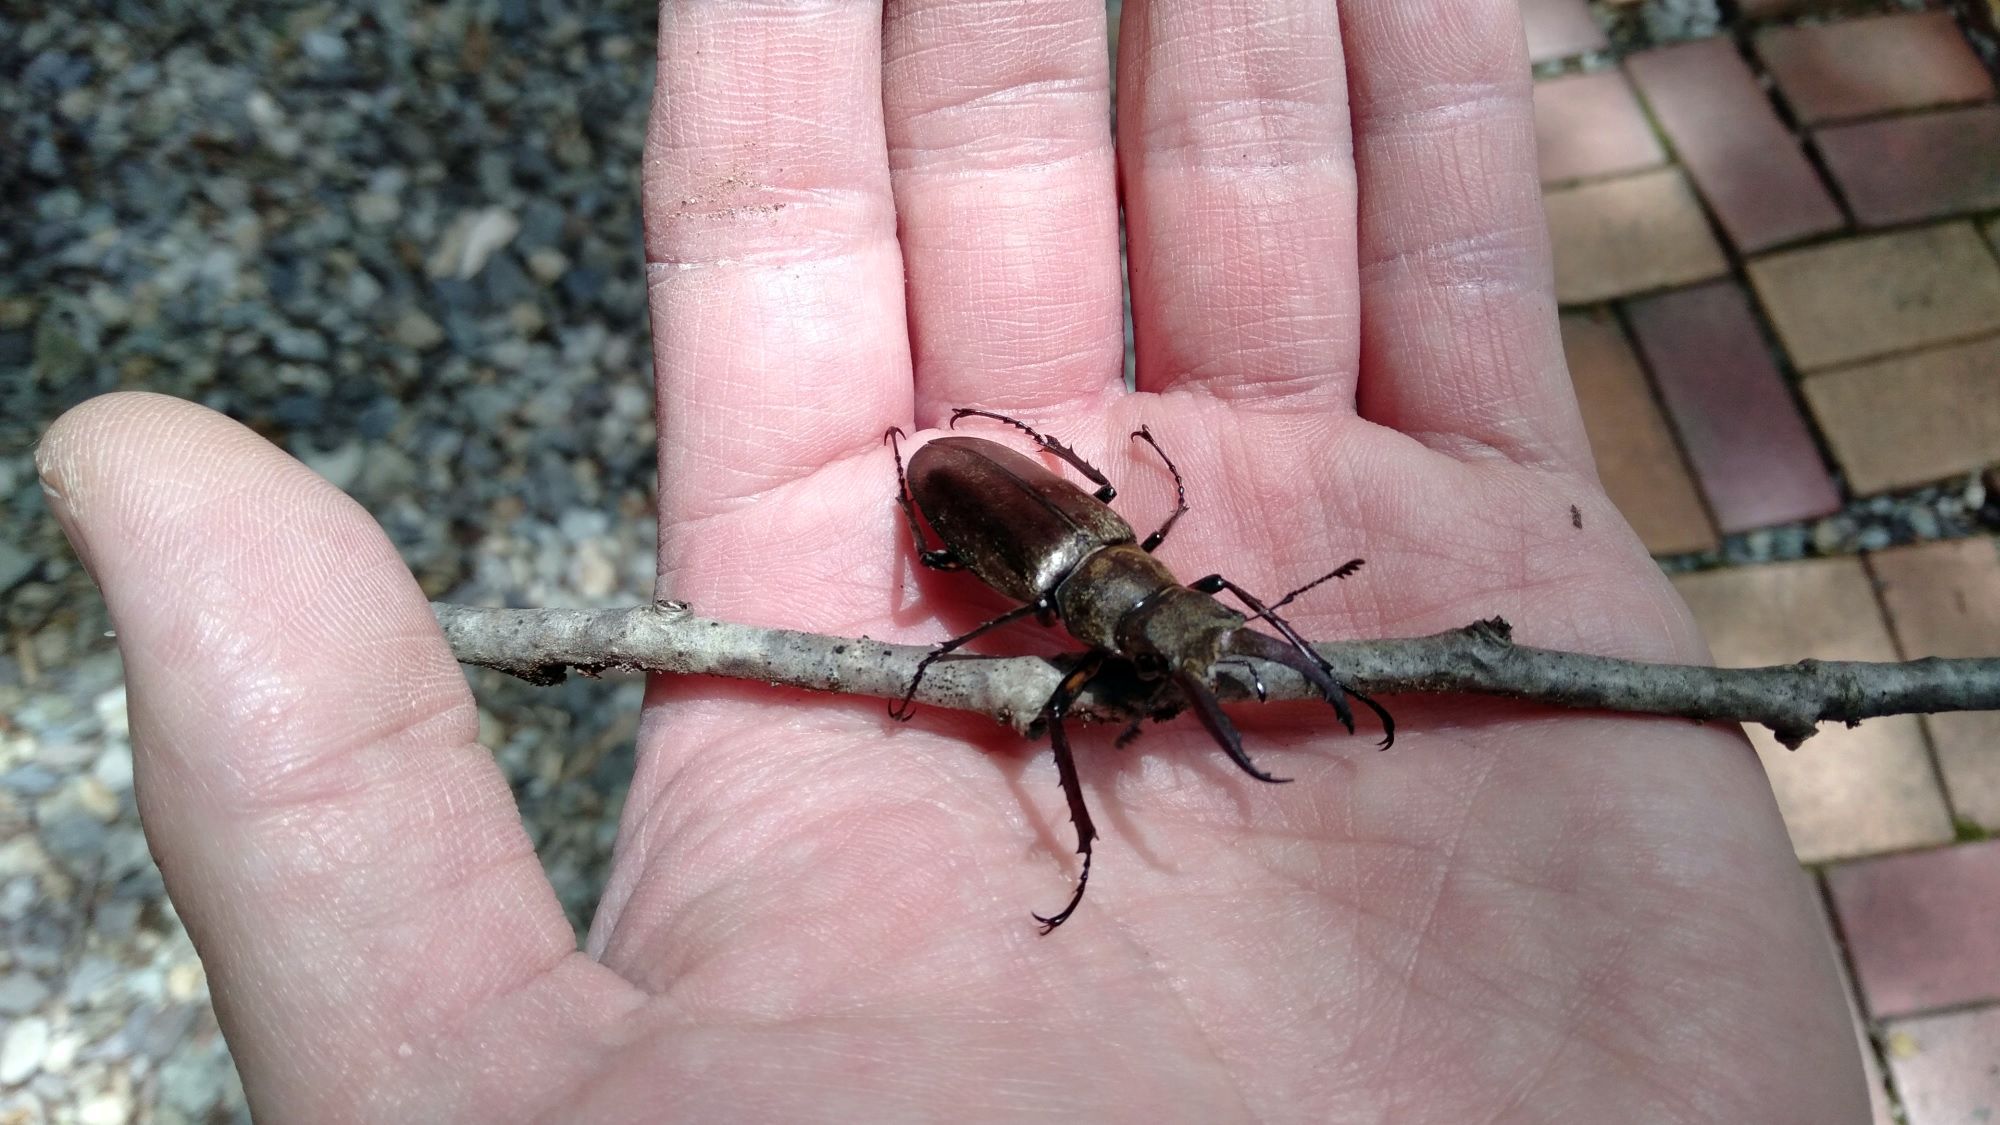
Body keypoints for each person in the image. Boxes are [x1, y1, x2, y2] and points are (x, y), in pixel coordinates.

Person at [38, 0, 1868, 1118]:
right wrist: (1105, 620)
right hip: (998, 510)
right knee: (1069, 708)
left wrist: (1282, 654)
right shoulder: (1080, 599)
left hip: (1045, 518)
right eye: (1170, 661)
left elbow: (1198, 626)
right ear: (1119, 599)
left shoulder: (1148, 601)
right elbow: (1108, 631)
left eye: (1186, 666)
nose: (1175, 683)